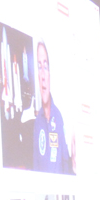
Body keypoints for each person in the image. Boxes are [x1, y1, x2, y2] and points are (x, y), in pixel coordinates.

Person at [31, 42, 73, 174]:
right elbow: (35, 166)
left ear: (50, 73)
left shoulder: (60, 117)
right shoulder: (37, 122)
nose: (42, 75)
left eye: (45, 66)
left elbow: (66, 163)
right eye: (39, 67)